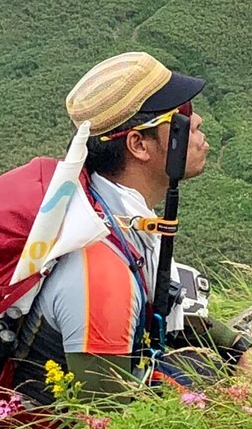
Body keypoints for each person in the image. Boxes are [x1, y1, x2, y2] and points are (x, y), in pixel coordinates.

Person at [12, 51, 232, 402]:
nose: (199, 121)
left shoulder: (111, 218)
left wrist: (238, 346)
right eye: (183, 117)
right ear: (138, 144)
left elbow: (159, 307)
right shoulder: (101, 276)